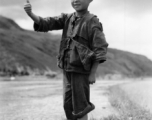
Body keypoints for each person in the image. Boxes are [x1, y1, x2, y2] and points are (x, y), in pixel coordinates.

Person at [24, 0, 108, 120]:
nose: (76, 0)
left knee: (81, 107)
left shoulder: (92, 21)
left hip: (81, 72)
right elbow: (46, 23)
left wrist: (93, 73)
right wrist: (30, 14)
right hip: (66, 70)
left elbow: (100, 48)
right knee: (67, 105)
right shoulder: (66, 18)